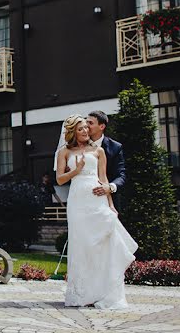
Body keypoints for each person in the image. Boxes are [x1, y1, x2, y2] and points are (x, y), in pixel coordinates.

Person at [56, 114, 137, 309]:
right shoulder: (64, 152)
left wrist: (110, 204)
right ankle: (82, 294)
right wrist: (77, 170)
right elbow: (60, 179)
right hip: (77, 201)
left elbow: (103, 179)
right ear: (72, 132)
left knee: (103, 244)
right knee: (81, 245)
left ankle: (104, 291)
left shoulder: (99, 151)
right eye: (80, 128)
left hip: (97, 199)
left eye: (86, 127)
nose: (85, 131)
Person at [87, 110, 126, 211]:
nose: (86, 126)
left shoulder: (115, 147)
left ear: (102, 127)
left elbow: (121, 175)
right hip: (84, 197)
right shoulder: (77, 146)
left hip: (108, 200)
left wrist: (110, 187)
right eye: (86, 122)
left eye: (90, 123)